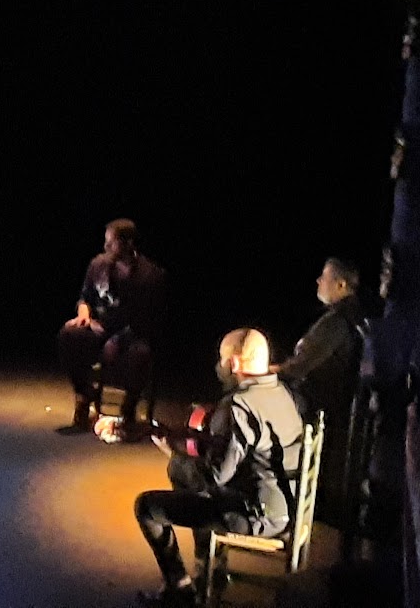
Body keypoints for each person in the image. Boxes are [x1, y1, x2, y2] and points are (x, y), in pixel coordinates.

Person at [133, 328, 305, 607]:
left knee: (147, 506)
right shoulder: (282, 392)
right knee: (182, 474)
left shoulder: (238, 405)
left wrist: (170, 452)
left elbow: (214, 477)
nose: (218, 366)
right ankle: (206, 565)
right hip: (286, 504)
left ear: (235, 363)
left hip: (256, 515)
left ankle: (179, 586)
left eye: (222, 359)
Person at [272, 257, 367, 526]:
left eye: (324, 276)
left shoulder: (337, 322)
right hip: (332, 405)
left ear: (341, 284)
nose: (318, 281)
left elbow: (298, 367)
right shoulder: (351, 316)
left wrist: (258, 371)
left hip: (316, 405)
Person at [56, 218, 167, 438]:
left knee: (140, 353)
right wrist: (83, 313)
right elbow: (85, 297)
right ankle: (84, 396)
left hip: (133, 332)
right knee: (69, 334)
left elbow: (149, 319)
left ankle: (128, 409)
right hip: (102, 326)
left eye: (112, 242)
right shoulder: (98, 265)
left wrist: (118, 340)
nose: (106, 246)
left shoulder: (150, 275)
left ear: (128, 243)